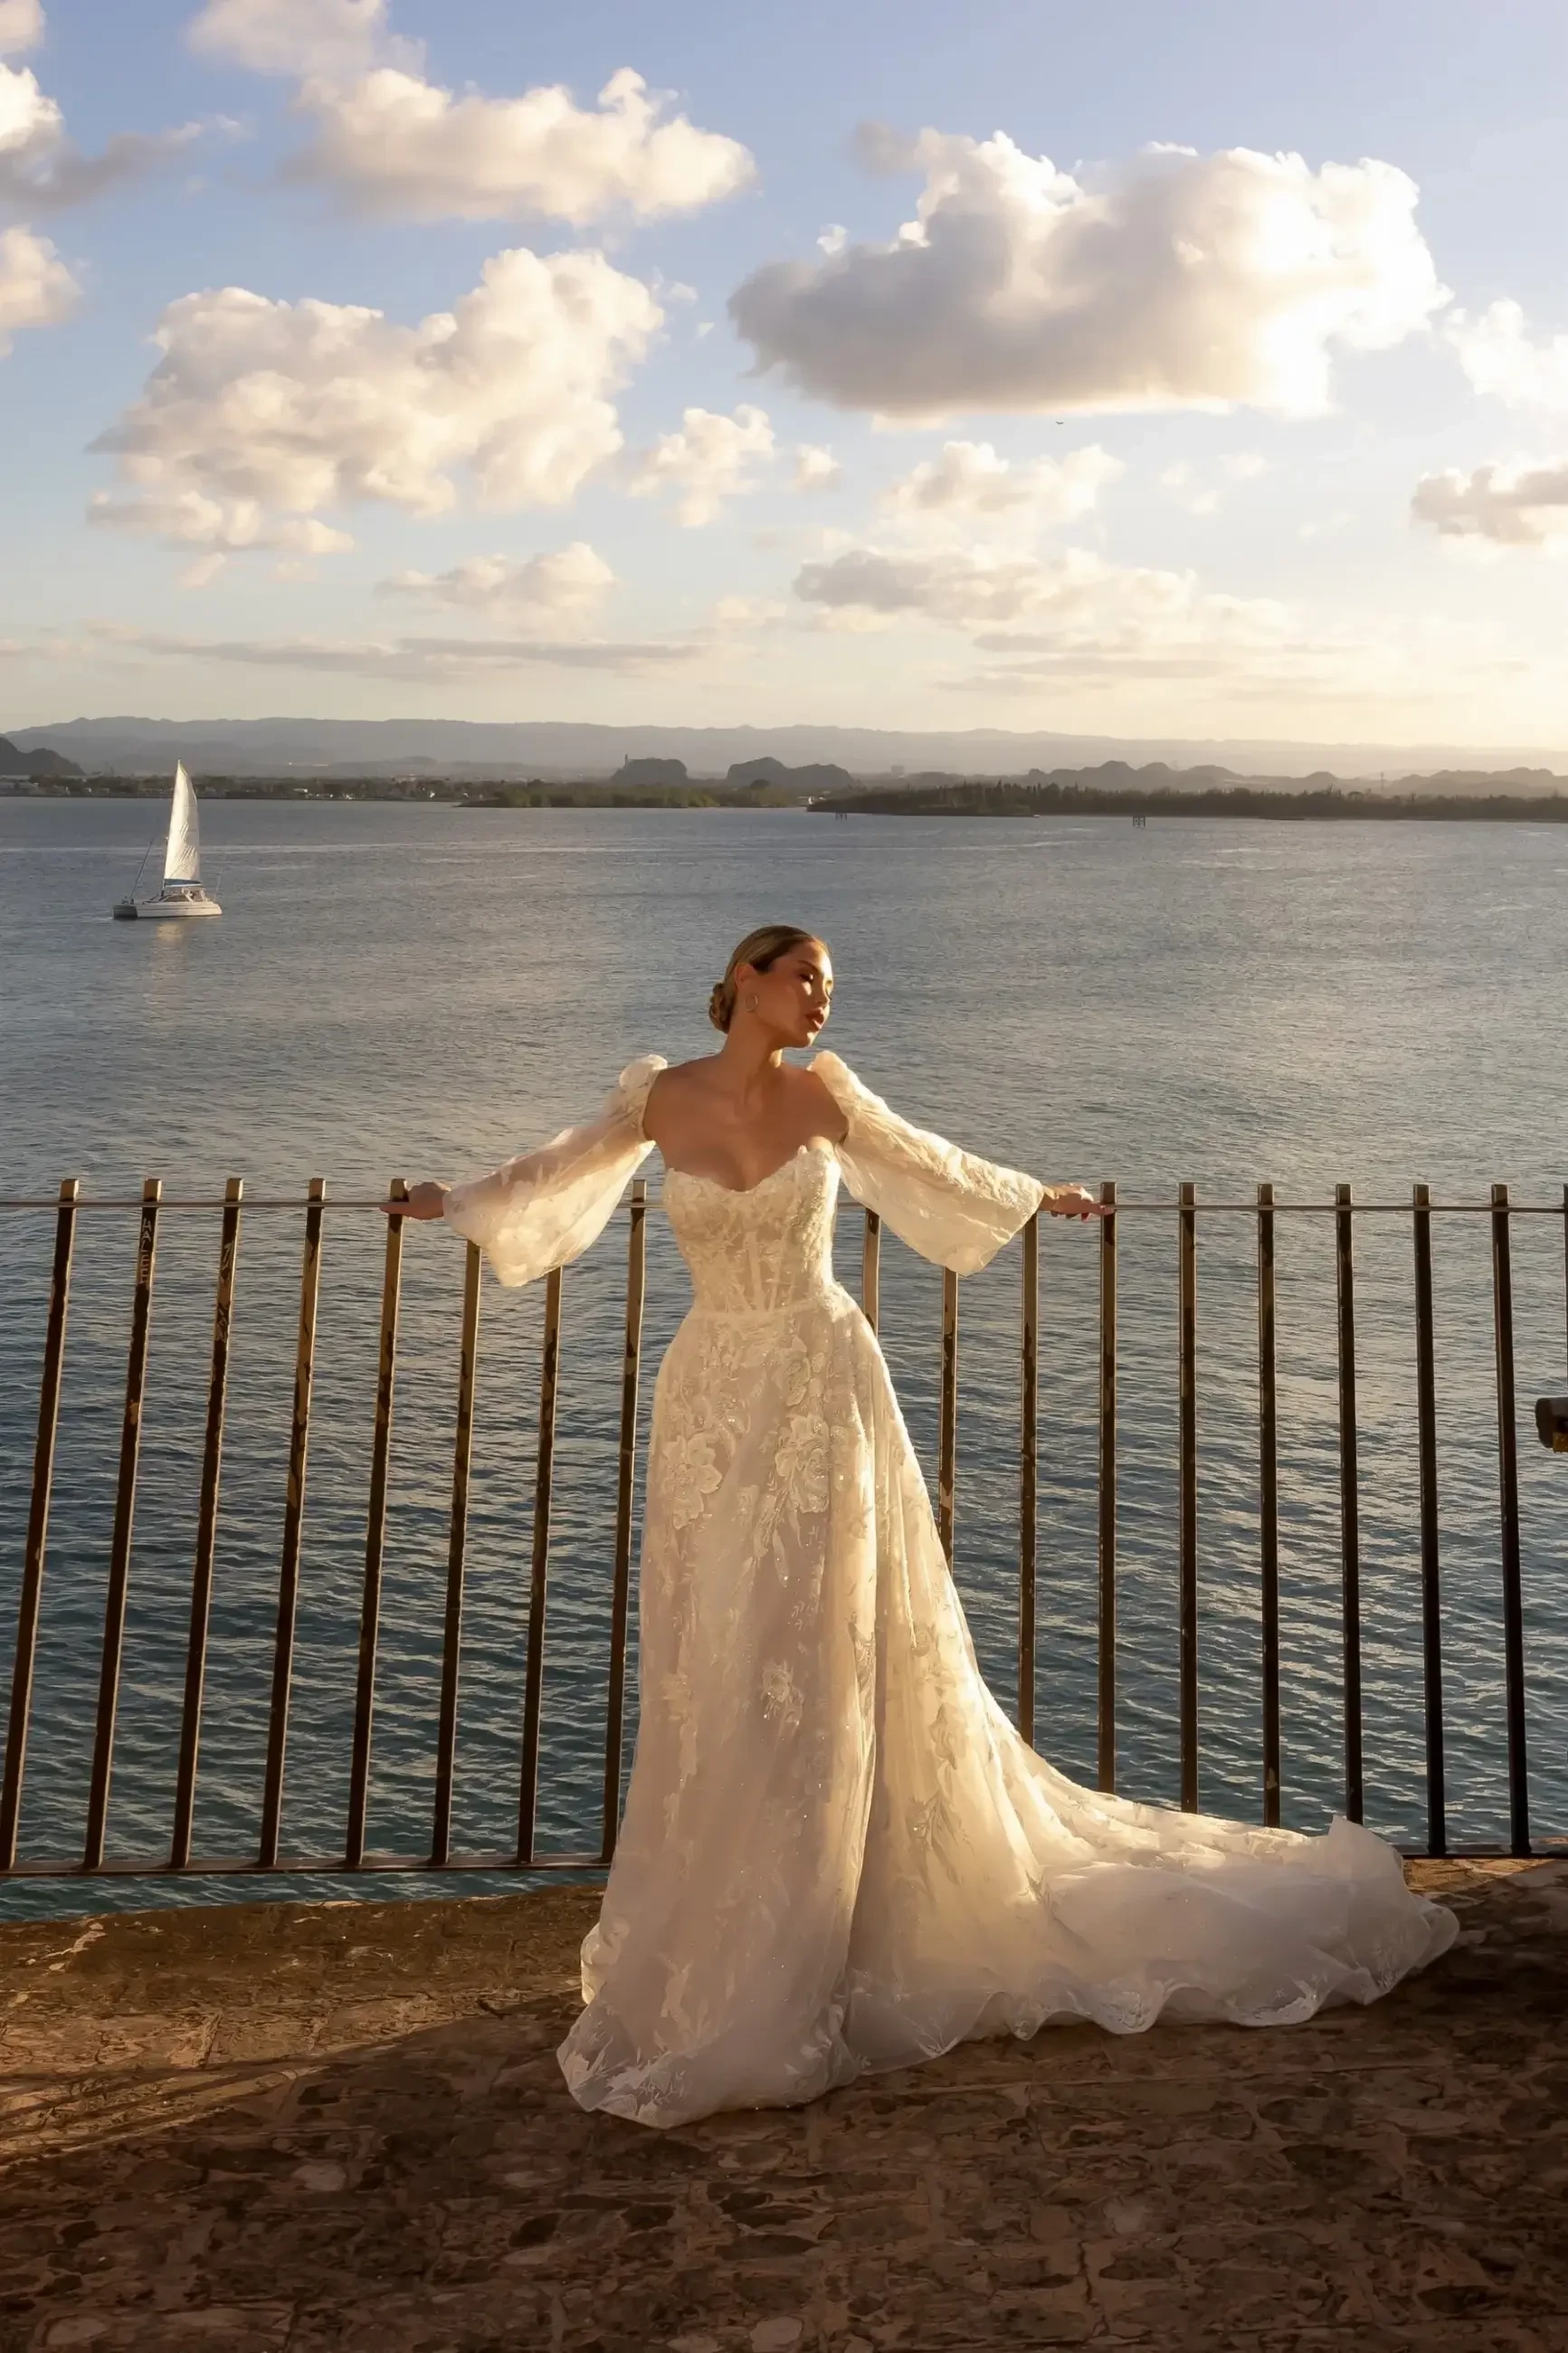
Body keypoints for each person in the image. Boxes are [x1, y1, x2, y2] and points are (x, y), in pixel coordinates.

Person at [390, 923, 1455, 2129]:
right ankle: (722, 1924)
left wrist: (1031, 1194)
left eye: (831, 988)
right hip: (710, 1411)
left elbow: (924, 1162)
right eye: (805, 979)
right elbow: (556, 1173)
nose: (822, 1001)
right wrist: (449, 1202)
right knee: (716, 1664)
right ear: (744, 980)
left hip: (820, 1389)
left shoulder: (826, 1098)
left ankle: (814, 1938)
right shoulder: (656, 1099)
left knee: (820, 1656)